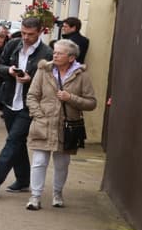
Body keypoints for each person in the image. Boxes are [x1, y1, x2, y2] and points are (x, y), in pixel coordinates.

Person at [0, 18, 53, 196]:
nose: (26, 37)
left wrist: (31, 80)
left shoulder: (46, 53)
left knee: (13, 140)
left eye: (30, 34)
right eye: (23, 33)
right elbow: (0, 65)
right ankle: (22, 180)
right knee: (17, 143)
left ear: (40, 32)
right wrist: (10, 71)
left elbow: (50, 82)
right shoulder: (13, 44)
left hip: (29, 104)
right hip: (10, 100)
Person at [24, 39, 97, 210]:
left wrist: (70, 98)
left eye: (59, 53)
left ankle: (57, 193)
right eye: (54, 52)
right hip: (44, 123)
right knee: (39, 161)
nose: (55, 55)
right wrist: (38, 114)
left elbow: (92, 103)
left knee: (62, 163)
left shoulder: (81, 76)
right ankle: (35, 197)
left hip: (67, 126)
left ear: (71, 58)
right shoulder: (44, 70)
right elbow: (32, 96)